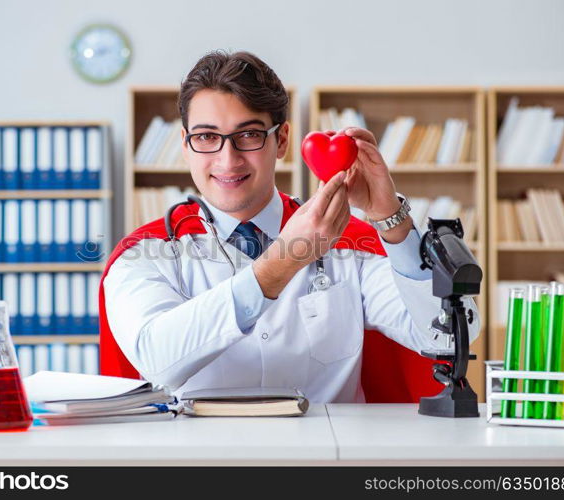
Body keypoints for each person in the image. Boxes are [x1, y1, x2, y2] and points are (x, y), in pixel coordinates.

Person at [99, 50, 480, 403]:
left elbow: (447, 337)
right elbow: (156, 361)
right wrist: (281, 263)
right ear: (185, 145)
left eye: (248, 134)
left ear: (280, 140)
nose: (227, 159)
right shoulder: (144, 254)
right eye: (207, 137)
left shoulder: (350, 246)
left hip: (328, 461)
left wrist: (389, 218)